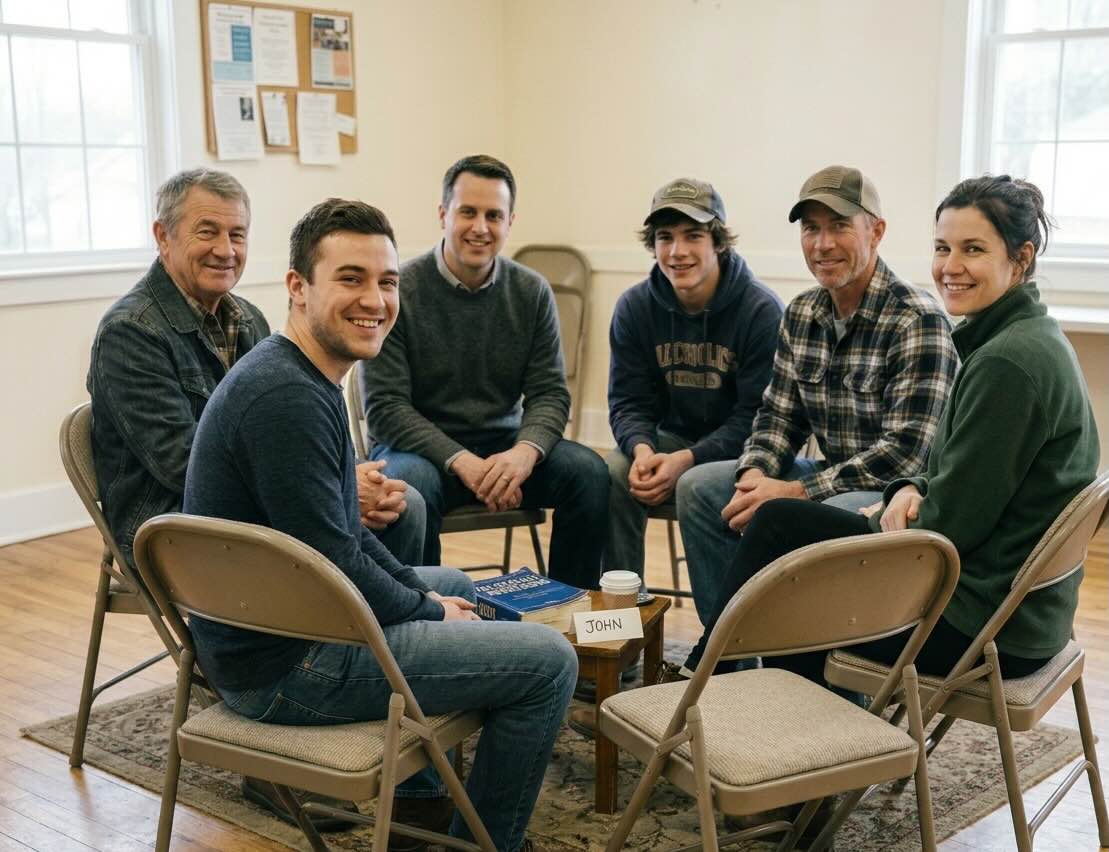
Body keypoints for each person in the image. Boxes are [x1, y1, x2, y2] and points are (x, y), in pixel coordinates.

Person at [183, 198, 575, 852]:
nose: (375, 299)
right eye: (350, 279)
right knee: (549, 662)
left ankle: (416, 804)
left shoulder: (302, 376)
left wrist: (429, 600)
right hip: (285, 667)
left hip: (286, 622)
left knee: (457, 582)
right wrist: (423, 608)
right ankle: (488, 842)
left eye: (387, 282)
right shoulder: (287, 398)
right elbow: (335, 561)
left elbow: (342, 539)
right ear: (297, 287)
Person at [86, 168, 424, 827]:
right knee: (349, 536)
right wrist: (325, 489)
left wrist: (339, 483)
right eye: (206, 232)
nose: (225, 250)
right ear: (163, 236)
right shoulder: (132, 332)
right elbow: (180, 462)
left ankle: (379, 681)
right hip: (174, 530)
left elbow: (288, 436)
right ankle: (282, 743)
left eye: (238, 234)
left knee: (398, 515)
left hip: (248, 509)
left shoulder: (247, 315)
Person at [678, 175, 1099, 683]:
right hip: (1002, 604)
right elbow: (949, 471)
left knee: (789, 559)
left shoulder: (1006, 364)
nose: (950, 267)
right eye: (942, 247)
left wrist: (888, 502)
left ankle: (722, 687)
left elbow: (948, 521)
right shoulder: (1020, 339)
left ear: (1021, 257)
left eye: (973, 249)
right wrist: (909, 490)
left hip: (984, 625)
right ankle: (724, 678)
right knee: (779, 528)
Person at [676, 165, 958, 631]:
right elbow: (778, 417)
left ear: (877, 231)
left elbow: (907, 456)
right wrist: (754, 476)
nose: (822, 243)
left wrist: (795, 492)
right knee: (701, 489)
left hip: (895, 496)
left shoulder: (918, 320)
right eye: (811, 228)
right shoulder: (802, 312)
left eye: (839, 226)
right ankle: (733, 652)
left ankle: (833, 678)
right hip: (830, 476)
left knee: (816, 517)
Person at [360, 154, 608, 588]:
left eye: (494, 215)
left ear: (511, 221)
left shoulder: (531, 291)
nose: (481, 227)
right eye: (467, 212)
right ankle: (427, 621)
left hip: (503, 447)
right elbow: (385, 408)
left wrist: (523, 454)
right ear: (443, 215)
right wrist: (464, 463)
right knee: (408, 488)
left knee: (588, 472)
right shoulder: (398, 288)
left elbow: (550, 394)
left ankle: (575, 621)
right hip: (419, 453)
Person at [605, 177, 782, 577]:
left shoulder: (761, 311)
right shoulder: (634, 307)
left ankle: (724, 626)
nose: (677, 251)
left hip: (744, 452)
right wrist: (642, 450)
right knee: (615, 471)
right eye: (665, 237)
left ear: (718, 240)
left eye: (693, 236)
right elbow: (628, 401)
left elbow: (759, 418)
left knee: (696, 482)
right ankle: (620, 611)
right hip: (670, 441)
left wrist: (689, 459)